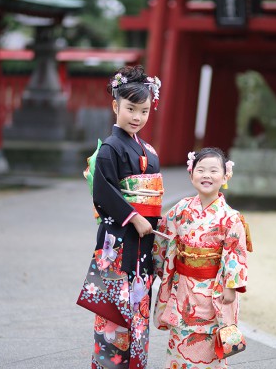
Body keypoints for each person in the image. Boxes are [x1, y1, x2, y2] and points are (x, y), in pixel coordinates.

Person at [77, 65, 163, 369]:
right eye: (130, 109)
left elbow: (153, 199)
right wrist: (135, 218)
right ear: (116, 106)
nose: (137, 117)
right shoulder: (111, 147)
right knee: (114, 319)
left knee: (137, 314)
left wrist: (153, 223)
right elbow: (102, 192)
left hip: (141, 247)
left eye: (143, 110)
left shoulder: (150, 151)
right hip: (119, 242)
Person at [153, 147, 251, 369]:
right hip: (183, 287)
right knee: (180, 338)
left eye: (214, 170)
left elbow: (235, 252)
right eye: (201, 170)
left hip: (212, 289)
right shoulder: (181, 209)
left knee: (209, 340)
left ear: (226, 176)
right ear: (191, 174)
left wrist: (231, 285)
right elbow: (163, 236)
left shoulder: (231, 217)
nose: (206, 175)